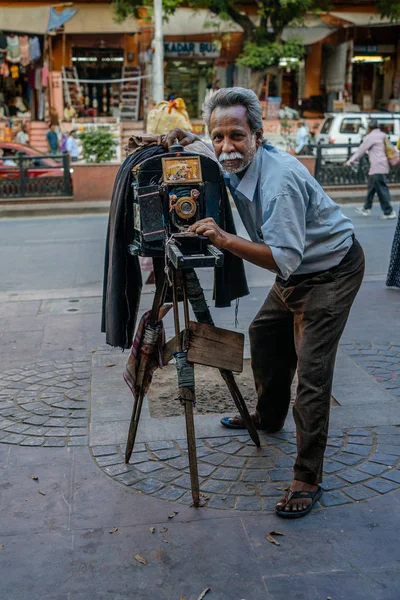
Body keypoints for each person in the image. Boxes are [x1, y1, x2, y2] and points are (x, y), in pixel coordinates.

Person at [164, 87, 365, 518]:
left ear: (258, 134)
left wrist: (223, 238)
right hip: (295, 273)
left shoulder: (280, 182)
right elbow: (208, 147)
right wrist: (187, 139)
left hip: (329, 271)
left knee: (312, 375)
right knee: (264, 334)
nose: (225, 147)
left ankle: (306, 478)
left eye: (236, 135)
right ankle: (269, 418)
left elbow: (283, 259)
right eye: (218, 137)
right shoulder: (225, 154)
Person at [345, 121, 396, 220]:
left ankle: (389, 211)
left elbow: (361, 151)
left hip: (378, 167)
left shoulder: (371, 137)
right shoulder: (383, 135)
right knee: (372, 188)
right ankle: (366, 208)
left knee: (381, 190)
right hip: (381, 166)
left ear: (369, 128)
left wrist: (349, 162)